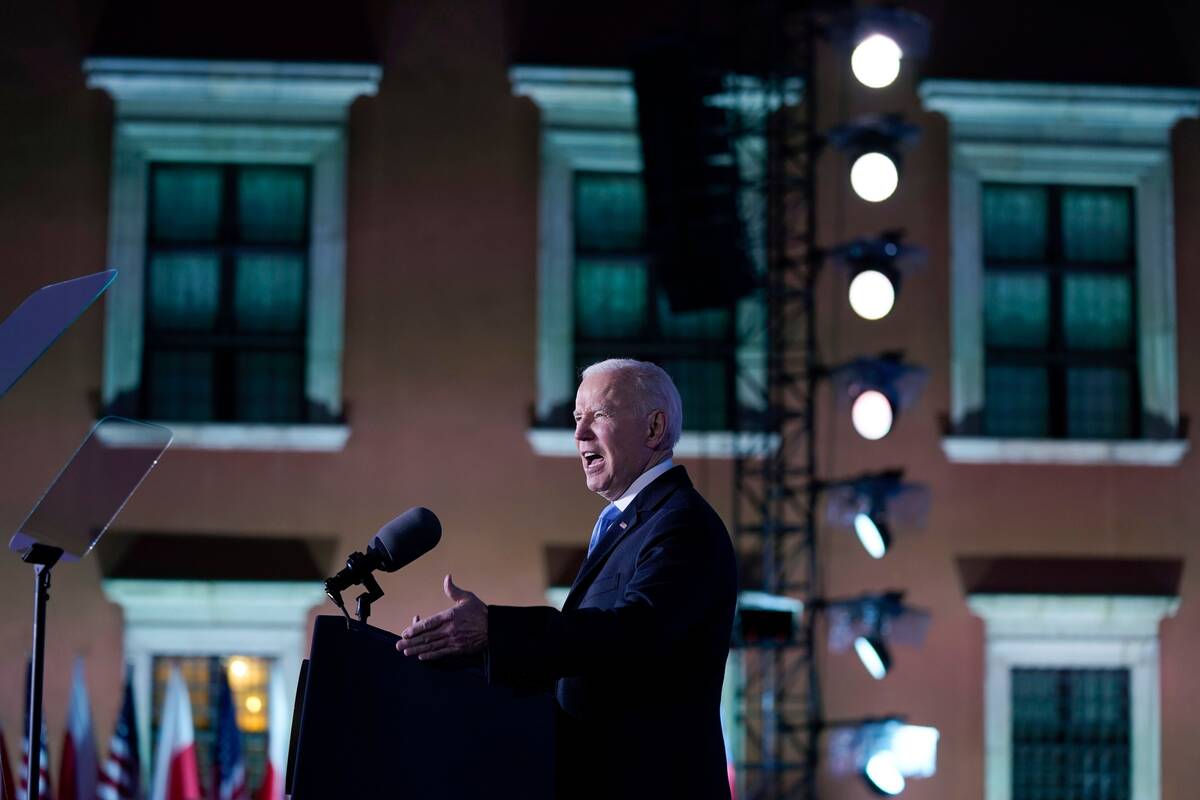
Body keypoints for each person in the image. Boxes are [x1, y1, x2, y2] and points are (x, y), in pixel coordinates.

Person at [397, 358, 737, 799]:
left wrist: (494, 630)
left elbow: (632, 637)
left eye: (600, 415)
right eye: (577, 418)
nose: (579, 435)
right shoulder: (628, 523)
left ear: (654, 428)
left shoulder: (682, 524)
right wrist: (476, 655)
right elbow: (582, 667)